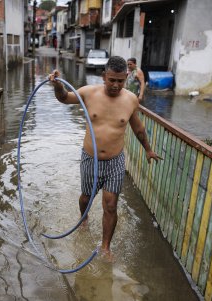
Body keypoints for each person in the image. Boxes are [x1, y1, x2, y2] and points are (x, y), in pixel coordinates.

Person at [48, 56, 162, 258]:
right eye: (112, 80)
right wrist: (57, 85)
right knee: (86, 197)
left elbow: (138, 128)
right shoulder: (88, 93)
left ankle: (105, 247)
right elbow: (64, 98)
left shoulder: (131, 100)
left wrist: (148, 149)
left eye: (120, 81)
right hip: (90, 159)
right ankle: (84, 218)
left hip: (115, 160)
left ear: (126, 77)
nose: (116, 85)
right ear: (104, 77)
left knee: (110, 204)